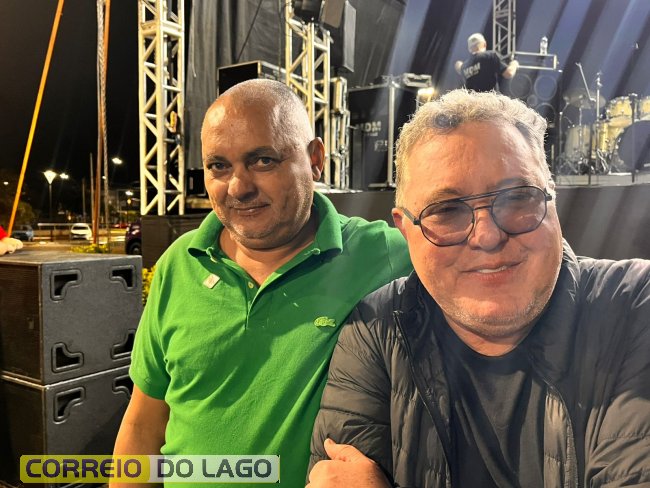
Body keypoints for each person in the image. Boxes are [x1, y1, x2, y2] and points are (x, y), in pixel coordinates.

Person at [308, 89, 650, 487]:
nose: (487, 236)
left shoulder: (634, 303)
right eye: (446, 210)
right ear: (405, 230)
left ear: (552, 200)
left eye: (518, 198)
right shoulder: (376, 330)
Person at [112, 79, 411, 488]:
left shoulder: (386, 253)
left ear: (315, 159)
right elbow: (144, 424)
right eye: (219, 166)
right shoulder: (179, 264)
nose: (238, 187)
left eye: (263, 160)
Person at [454, 33, 518, 92]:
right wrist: (514, 64)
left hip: (473, 101)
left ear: (469, 49)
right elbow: (508, 73)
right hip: (490, 99)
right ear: (484, 44)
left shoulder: (464, 67)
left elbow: (459, 67)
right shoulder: (490, 55)